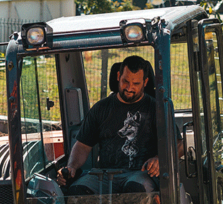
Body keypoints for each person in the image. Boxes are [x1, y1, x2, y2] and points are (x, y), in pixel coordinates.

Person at [58, 54, 181, 188]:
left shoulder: (157, 109)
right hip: (104, 176)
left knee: (135, 188)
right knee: (78, 191)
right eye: (125, 81)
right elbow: (83, 145)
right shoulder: (100, 109)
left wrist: (160, 159)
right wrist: (71, 167)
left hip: (141, 174)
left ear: (145, 83)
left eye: (136, 84)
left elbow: (179, 145)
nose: (129, 88)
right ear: (118, 77)